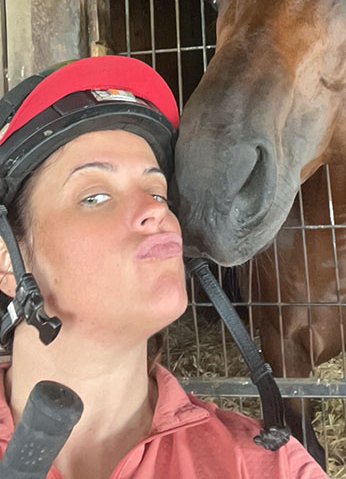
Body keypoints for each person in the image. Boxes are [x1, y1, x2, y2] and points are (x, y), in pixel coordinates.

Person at [0, 55, 326, 478]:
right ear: (8, 260)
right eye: (95, 196)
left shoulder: (270, 468)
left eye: (157, 193)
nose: (155, 213)